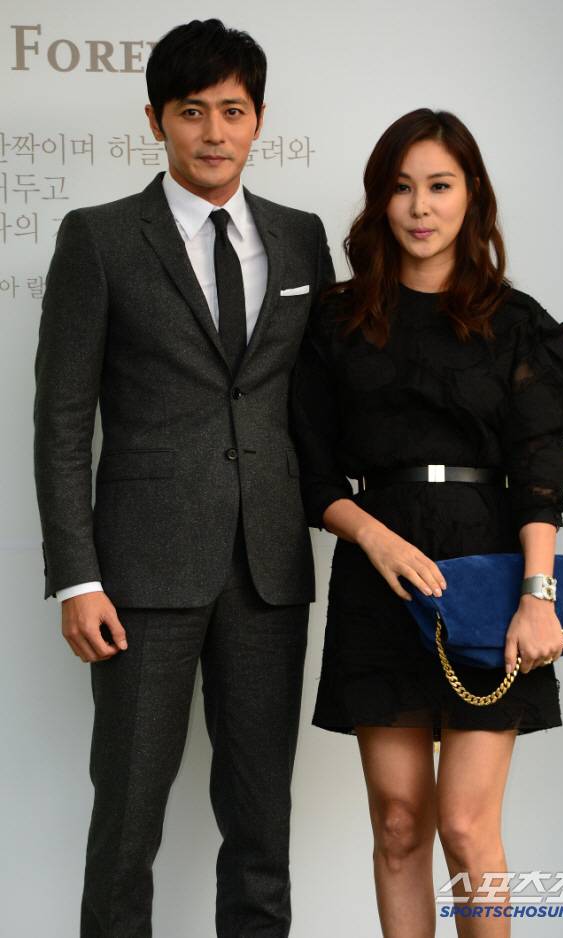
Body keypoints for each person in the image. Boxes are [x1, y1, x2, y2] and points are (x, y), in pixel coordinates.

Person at [33, 18, 333, 938]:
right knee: (127, 819)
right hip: (141, 573)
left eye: (232, 111)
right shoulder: (100, 238)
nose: (213, 132)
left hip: (269, 569)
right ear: (156, 120)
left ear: (259, 120)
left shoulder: (300, 238)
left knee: (262, 824)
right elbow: (62, 418)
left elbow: (318, 402)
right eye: (192, 111)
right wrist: (77, 578)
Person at [291, 108, 563, 937]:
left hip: (487, 579)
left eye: (439, 186)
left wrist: (538, 597)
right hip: (377, 578)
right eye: (401, 187)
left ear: (472, 196)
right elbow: (313, 475)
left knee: (464, 826)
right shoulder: (336, 321)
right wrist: (373, 536)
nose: (420, 207)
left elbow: (539, 477)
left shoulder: (516, 321)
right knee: (397, 824)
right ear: (379, 200)